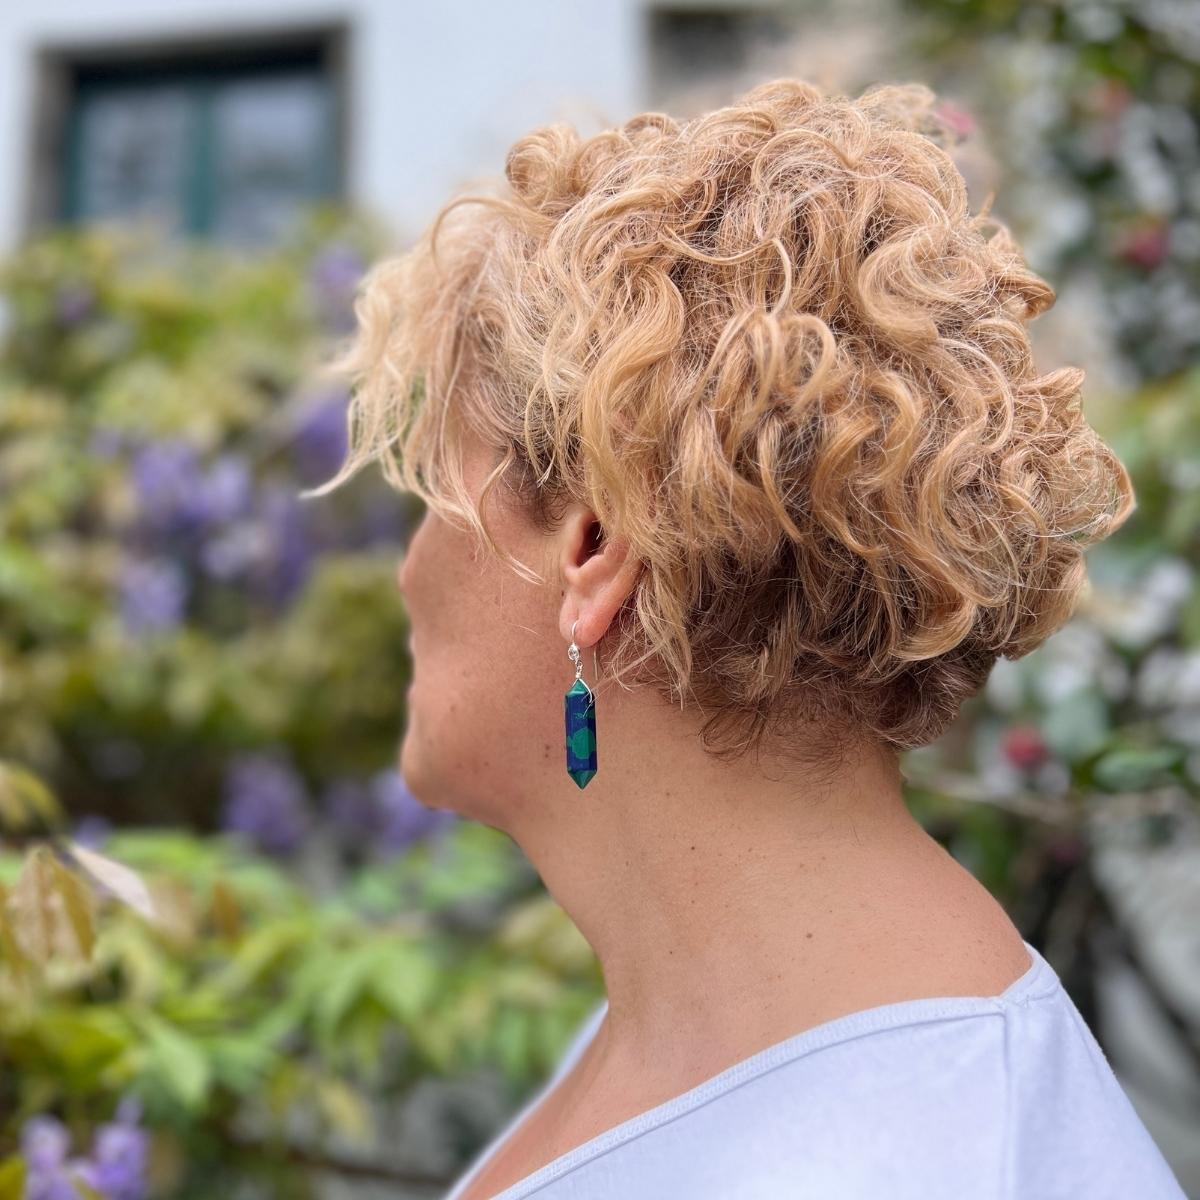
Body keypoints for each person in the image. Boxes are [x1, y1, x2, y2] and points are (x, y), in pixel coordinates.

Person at [309, 78, 1187, 1199]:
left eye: (432, 489)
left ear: (591, 548)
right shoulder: (734, 1030)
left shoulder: (926, 1155)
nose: (406, 567)